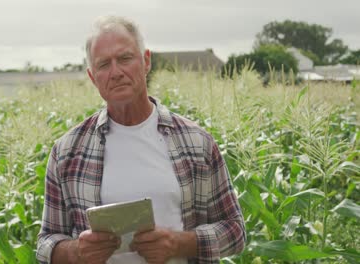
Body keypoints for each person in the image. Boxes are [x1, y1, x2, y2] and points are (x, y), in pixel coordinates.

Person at [37, 15, 245, 264]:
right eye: (103, 64)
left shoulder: (197, 142)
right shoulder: (67, 152)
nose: (116, 72)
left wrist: (178, 244)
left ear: (146, 61)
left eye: (125, 58)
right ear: (93, 77)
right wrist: (76, 251)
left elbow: (235, 232)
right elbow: (45, 243)